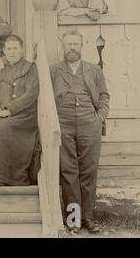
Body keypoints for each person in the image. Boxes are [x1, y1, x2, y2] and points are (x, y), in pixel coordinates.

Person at [50, 30, 109, 234]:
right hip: (63, 122)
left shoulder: (94, 70)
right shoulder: (54, 70)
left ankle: (88, 217)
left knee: (89, 169)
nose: (72, 48)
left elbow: (104, 96)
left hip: (89, 123)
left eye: (75, 44)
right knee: (68, 170)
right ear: (63, 47)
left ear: (82, 46)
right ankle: (73, 218)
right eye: (68, 44)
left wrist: (99, 117)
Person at [0, 35, 39, 187]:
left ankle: (9, 177)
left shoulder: (31, 68)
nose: (12, 52)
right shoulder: (1, 72)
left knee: (4, 127)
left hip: (24, 115)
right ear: (4, 51)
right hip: (2, 113)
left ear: (21, 49)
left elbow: (31, 95)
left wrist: (10, 110)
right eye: (9, 48)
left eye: (15, 48)